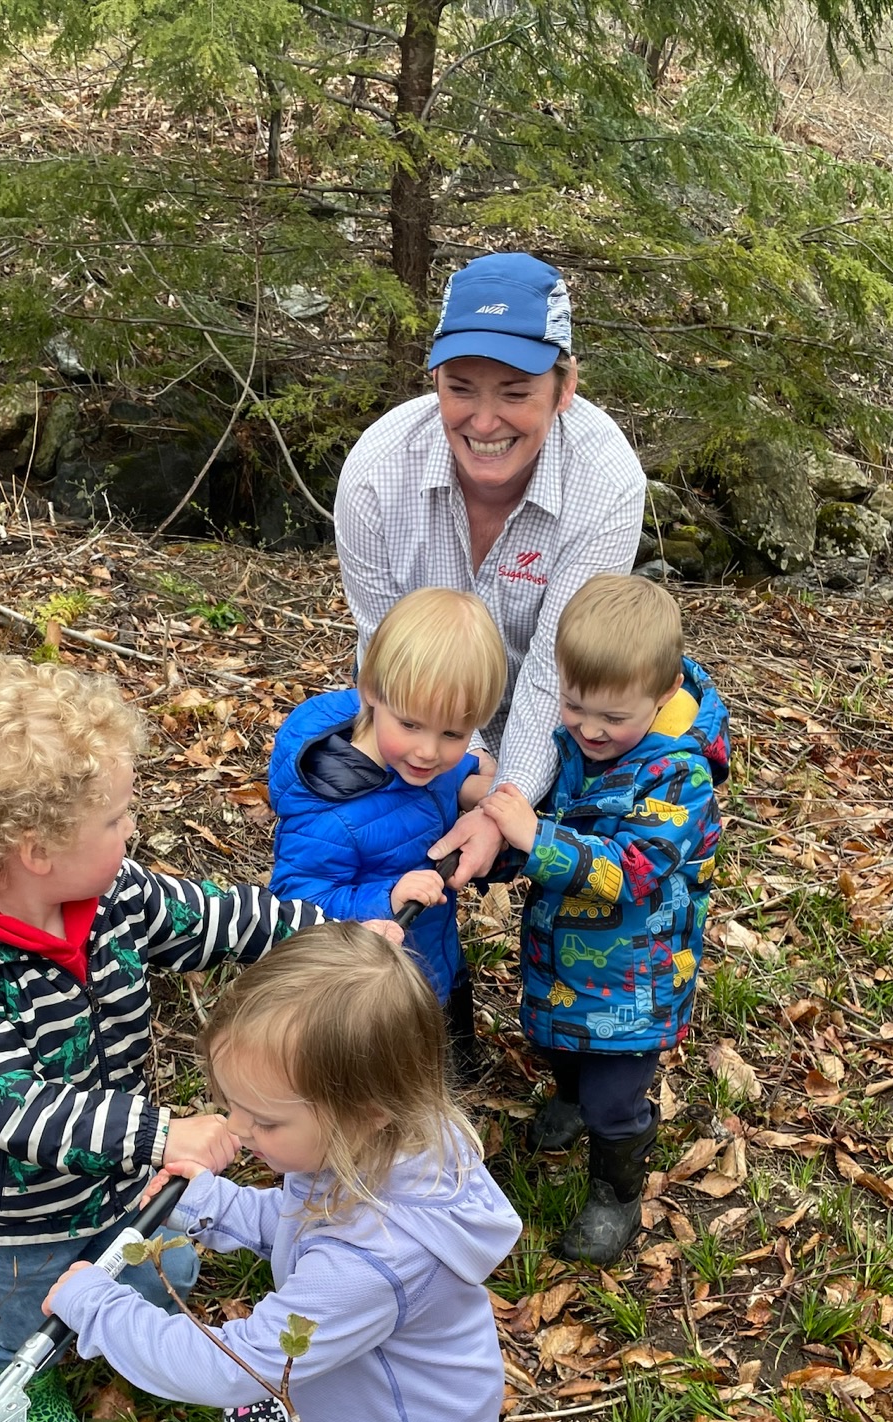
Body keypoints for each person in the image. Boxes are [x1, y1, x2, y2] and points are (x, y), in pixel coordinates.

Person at [41, 924, 522, 1422]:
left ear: (362, 1109)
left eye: (260, 1120)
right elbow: (296, 1222)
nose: (237, 1130)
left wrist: (98, 1306)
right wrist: (208, 1202)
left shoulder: (375, 1264)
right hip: (348, 1392)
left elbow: (236, 1366)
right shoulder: (375, 1147)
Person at [0, 651, 323, 1422]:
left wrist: (325, 931)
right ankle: (28, 1387)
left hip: (120, 1170)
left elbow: (207, 919)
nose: (130, 834)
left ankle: (132, 1317)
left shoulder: (105, 893)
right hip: (15, 1211)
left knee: (147, 1254)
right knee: (32, 1295)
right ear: (38, 849)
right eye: (116, 820)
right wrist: (160, 1134)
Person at [334, 251, 647, 891]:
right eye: (460, 389)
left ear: (565, 388)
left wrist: (504, 805)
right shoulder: (375, 475)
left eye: (514, 393)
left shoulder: (607, 482)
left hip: (568, 718)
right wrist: (460, 769)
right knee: (372, 851)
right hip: (421, 716)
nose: (483, 421)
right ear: (435, 381)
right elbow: (385, 653)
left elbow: (556, 669)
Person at [480, 574, 730, 1264]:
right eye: (572, 705)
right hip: (563, 955)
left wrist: (534, 840)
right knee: (560, 1044)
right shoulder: (578, 748)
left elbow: (626, 872)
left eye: (612, 718)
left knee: (615, 1097)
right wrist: (501, 856)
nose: (589, 728)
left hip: (635, 980)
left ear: (662, 694)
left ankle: (614, 1194)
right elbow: (547, 824)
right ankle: (564, 1098)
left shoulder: (679, 778)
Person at [266, 587, 505, 1058]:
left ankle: (458, 1064)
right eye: (412, 725)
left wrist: (478, 786)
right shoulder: (330, 807)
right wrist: (386, 899)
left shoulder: (419, 757)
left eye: (453, 733)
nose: (429, 751)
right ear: (372, 691)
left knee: (447, 1035)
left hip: (433, 947)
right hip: (372, 986)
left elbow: (451, 770)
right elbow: (297, 905)